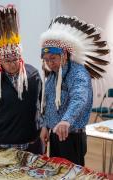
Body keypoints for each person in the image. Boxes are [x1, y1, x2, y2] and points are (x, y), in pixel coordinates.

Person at [39, 15, 110, 165]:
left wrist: (66, 120)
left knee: (73, 174)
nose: (49, 63)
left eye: (53, 58)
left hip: (72, 137)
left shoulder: (78, 73)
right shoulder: (52, 76)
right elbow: (49, 104)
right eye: (46, 59)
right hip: (55, 135)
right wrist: (45, 125)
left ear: (64, 54)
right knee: (57, 172)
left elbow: (79, 97)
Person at [0, 4, 42, 154]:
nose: (12, 65)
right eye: (7, 61)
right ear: (0, 61)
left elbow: (42, 103)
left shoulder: (33, 75)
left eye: (15, 60)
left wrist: (44, 127)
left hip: (33, 141)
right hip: (6, 142)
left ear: (20, 57)